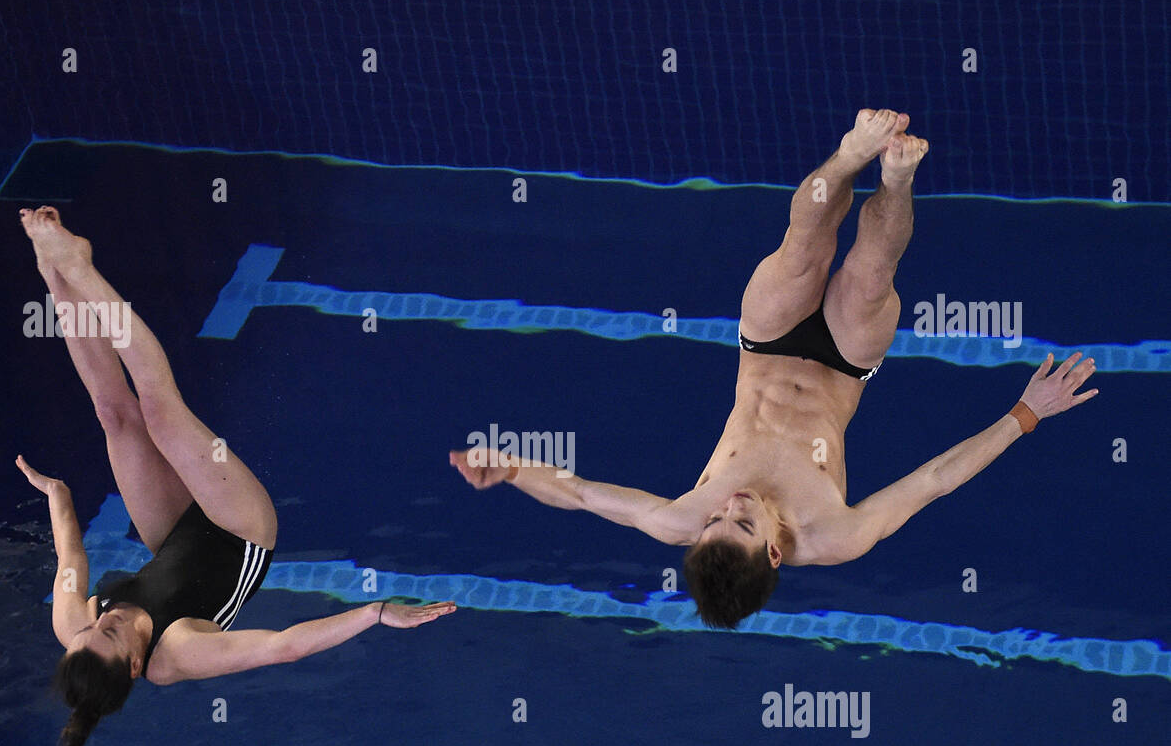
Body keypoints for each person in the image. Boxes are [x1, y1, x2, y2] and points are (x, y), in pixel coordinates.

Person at [450, 110, 1097, 628]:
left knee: (801, 251)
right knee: (870, 277)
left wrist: (509, 468)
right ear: (775, 550)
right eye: (743, 522)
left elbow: (581, 493)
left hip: (765, 347)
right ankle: (896, 177)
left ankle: (849, 154)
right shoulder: (837, 535)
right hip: (844, 364)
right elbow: (934, 481)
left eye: (714, 522)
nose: (726, 507)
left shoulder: (678, 520)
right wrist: (1026, 414)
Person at [16, 207, 455, 746]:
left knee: (116, 417)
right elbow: (283, 648)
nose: (97, 620)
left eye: (89, 628)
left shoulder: (78, 636)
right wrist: (375, 612)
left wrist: (59, 498)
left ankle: (54, 274)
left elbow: (71, 558)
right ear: (138, 666)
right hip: (239, 530)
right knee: (162, 414)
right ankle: (81, 267)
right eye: (109, 631)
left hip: (171, 538)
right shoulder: (180, 656)